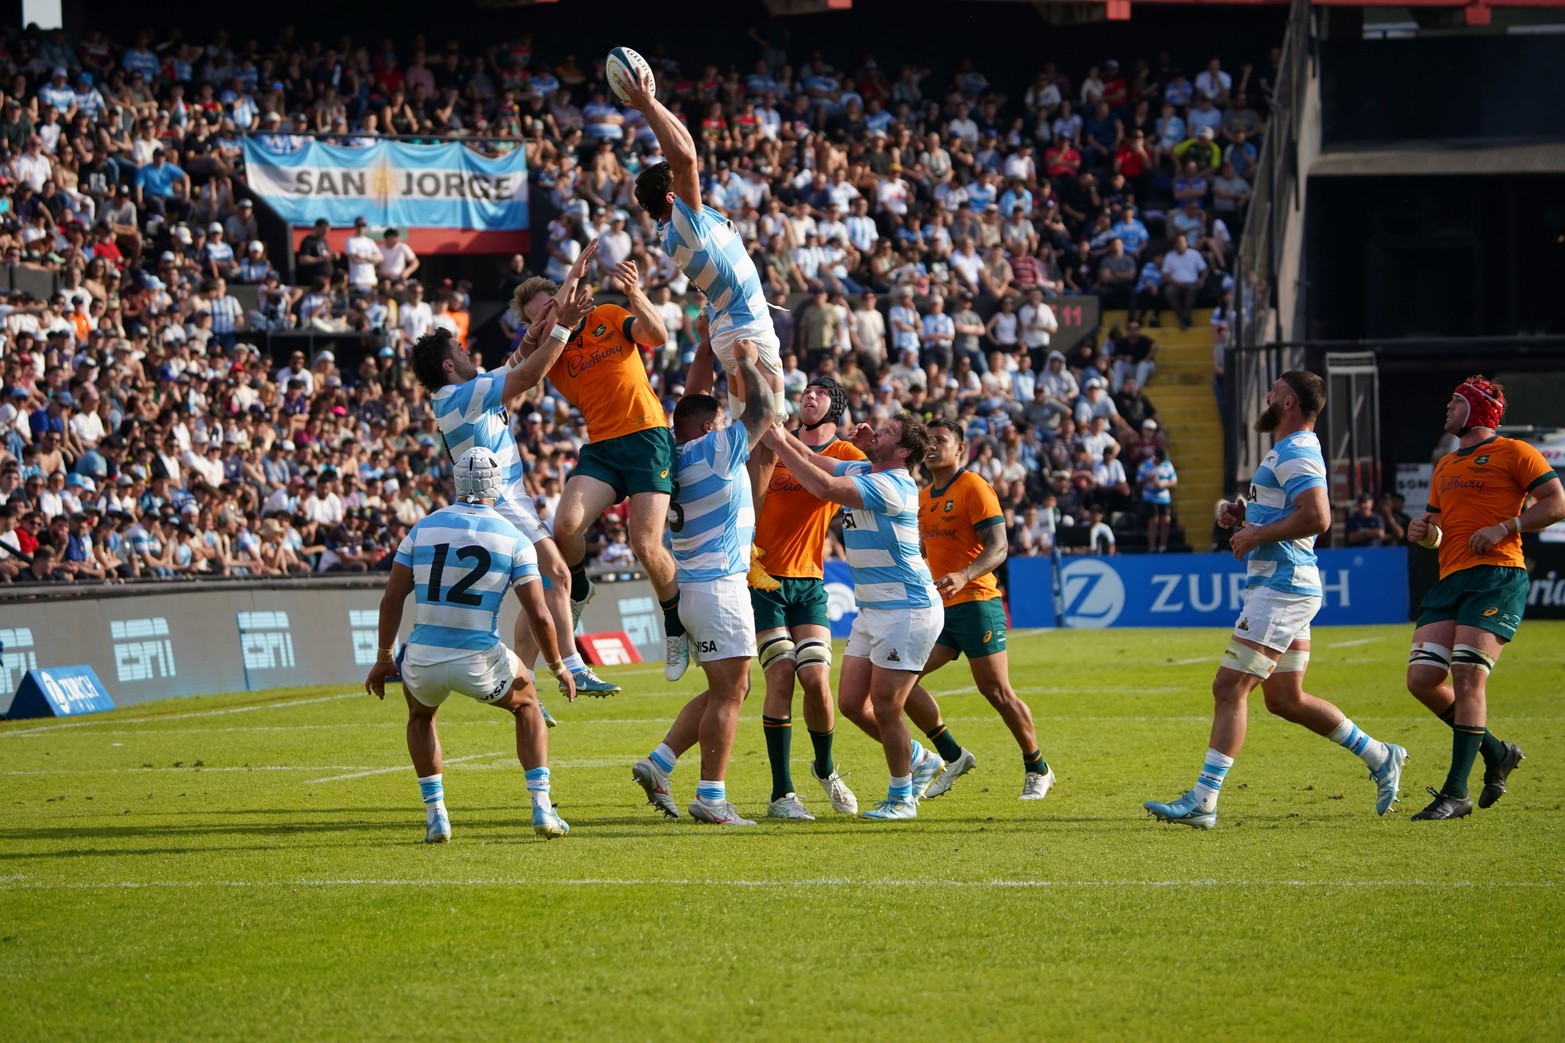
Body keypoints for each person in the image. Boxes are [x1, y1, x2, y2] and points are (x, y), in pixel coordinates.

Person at [1145, 371, 1406, 829]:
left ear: (1287, 402)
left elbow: (1318, 516)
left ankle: (1204, 801)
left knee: (1229, 688)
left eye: (1273, 391)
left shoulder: (1298, 449)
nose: (1265, 395)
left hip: (1282, 587)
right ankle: (1381, 755)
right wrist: (1243, 514)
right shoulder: (1287, 450)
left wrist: (1257, 534)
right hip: (1286, 585)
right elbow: (1291, 507)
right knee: (1285, 698)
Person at [415, 241, 619, 702]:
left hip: (505, 501)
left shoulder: (467, 391)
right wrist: (562, 328)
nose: (469, 354)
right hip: (500, 502)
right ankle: (573, 665)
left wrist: (570, 280)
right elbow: (527, 375)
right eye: (461, 350)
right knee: (561, 575)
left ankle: (521, 681)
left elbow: (519, 357)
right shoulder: (458, 396)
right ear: (449, 365)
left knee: (538, 591)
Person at [363, 447, 577, 843]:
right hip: (480, 658)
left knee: (421, 717)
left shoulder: (423, 527)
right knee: (528, 703)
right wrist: (559, 667)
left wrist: (382, 658)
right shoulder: (514, 538)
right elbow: (540, 614)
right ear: (499, 485)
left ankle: (436, 815)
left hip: (423, 656)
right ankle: (542, 807)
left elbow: (392, 597)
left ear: (457, 482)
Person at [619, 66, 785, 515]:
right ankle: (753, 539)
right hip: (747, 324)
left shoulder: (675, 224)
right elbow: (686, 158)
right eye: (680, 185)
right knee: (767, 437)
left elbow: (687, 153)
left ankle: (743, 526)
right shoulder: (683, 225)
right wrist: (647, 106)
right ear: (672, 199)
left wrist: (652, 104)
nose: (692, 182)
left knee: (751, 437)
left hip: (731, 324)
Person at [764, 412, 945, 820]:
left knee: (885, 705)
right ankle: (921, 759)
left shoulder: (893, 484)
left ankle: (901, 800)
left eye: (888, 432)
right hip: (874, 609)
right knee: (850, 703)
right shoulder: (866, 468)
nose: (876, 429)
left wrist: (776, 443)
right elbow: (821, 463)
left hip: (907, 608)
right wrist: (786, 439)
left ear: (901, 451)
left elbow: (824, 486)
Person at [511, 259, 682, 679]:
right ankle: (580, 586)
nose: (548, 315)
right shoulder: (551, 354)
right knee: (564, 526)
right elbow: (516, 380)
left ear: (563, 296)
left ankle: (676, 628)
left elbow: (657, 336)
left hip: (647, 436)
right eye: (538, 317)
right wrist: (538, 337)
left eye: (549, 305)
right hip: (602, 446)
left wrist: (634, 293)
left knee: (645, 544)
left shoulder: (606, 315)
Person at [1403, 376, 1564, 820]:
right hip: (1450, 578)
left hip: (1496, 576)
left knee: (1467, 676)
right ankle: (1497, 753)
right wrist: (1423, 533)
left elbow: (1557, 503)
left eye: (1454, 402)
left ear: (1477, 409)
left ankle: (1456, 792)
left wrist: (1506, 527)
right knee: (1421, 680)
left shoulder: (1516, 452)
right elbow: (1435, 531)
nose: (1447, 409)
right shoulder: (1444, 465)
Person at [629, 339, 775, 825]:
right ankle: (712, 796)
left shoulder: (671, 454)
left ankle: (660, 762)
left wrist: (704, 349)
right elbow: (765, 410)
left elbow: (695, 400)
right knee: (733, 692)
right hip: (719, 585)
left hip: (689, 586)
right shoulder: (717, 448)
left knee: (723, 689)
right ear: (711, 425)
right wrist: (750, 364)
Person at [913, 419, 1055, 801]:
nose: (931, 446)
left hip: (977, 601)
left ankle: (1037, 767)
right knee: (901, 681)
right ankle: (953, 756)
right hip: (941, 609)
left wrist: (964, 574)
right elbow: (928, 553)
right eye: (927, 440)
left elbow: (999, 547)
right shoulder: (924, 496)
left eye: (940, 440)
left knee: (995, 690)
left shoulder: (974, 487)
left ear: (960, 449)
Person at [744, 375, 864, 820]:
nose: (809, 396)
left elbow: (870, 479)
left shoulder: (846, 455)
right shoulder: (773, 444)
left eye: (820, 393)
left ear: (834, 407)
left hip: (810, 581)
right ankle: (782, 795)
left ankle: (827, 769)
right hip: (766, 579)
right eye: (806, 392)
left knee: (814, 679)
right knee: (781, 677)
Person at [1138, 446, 1177, 553]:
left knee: (1165, 521)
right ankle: (1152, 547)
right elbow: (1139, 481)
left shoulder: (1167, 465)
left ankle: (1162, 546)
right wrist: (1149, 478)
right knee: (1153, 521)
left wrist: (1163, 484)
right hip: (1150, 496)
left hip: (1163, 497)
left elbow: (1174, 481)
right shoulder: (1146, 465)